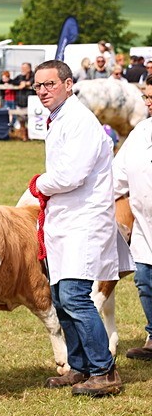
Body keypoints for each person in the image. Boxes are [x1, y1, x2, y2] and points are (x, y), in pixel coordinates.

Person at [31, 60, 127, 396]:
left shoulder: (79, 121)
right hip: (67, 219)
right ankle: (80, 366)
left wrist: (38, 183)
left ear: (68, 84)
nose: (43, 91)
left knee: (74, 295)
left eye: (50, 84)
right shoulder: (59, 119)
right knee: (60, 296)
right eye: (38, 86)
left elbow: (71, 176)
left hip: (85, 219)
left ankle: (104, 370)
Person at [116, 89, 152, 361]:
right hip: (144, 224)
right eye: (146, 96)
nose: (148, 102)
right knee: (144, 279)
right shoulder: (140, 133)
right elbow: (118, 176)